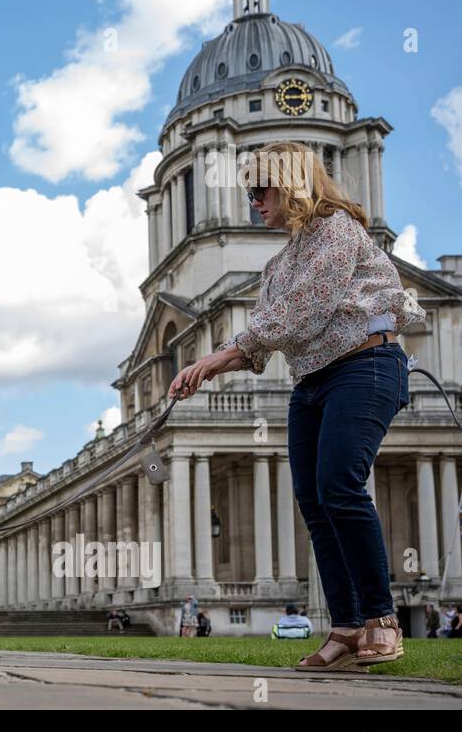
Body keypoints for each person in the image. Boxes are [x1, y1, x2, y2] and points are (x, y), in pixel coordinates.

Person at [170, 142, 423, 672]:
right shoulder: (278, 263)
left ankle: (382, 619)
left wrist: (217, 358)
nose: (253, 201)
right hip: (311, 381)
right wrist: (213, 366)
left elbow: (303, 312)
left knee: (341, 486)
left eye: (261, 189)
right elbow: (268, 339)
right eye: (247, 193)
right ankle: (347, 626)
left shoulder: (337, 230)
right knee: (314, 503)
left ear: (291, 184)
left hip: (365, 367)